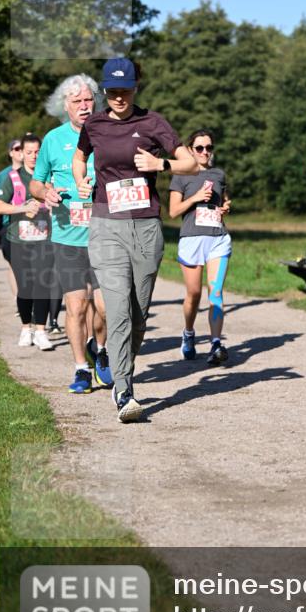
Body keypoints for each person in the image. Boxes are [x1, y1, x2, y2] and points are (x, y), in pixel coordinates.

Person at [73, 57, 197, 422]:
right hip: (106, 225)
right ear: (104, 91)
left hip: (145, 226)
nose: (119, 97)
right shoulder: (93, 124)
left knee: (139, 314)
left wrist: (162, 166)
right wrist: (81, 179)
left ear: (135, 87)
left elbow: (189, 161)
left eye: (125, 89)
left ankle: (119, 361)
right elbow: (81, 158)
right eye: (112, 91)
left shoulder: (152, 123)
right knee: (118, 309)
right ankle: (124, 390)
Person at [30, 74, 113, 394]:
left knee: (105, 308)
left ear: (96, 102)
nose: (83, 105)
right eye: (76, 101)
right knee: (77, 307)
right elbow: (37, 182)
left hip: (106, 235)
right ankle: (81, 368)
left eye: (88, 99)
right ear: (65, 106)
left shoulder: (108, 134)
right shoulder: (53, 140)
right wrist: (44, 193)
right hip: (68, 238)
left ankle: (101, 351)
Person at [169, 129, 232, 363]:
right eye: (199, 148)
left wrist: (225, 206)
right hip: (192, 240)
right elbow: (173, 211)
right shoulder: (181, 176)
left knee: (215, 292)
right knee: (193, 294)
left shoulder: (218, 174)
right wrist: (195, 198)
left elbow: (224, 199)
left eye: (209, 148)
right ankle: (188, 333)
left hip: (217, 239)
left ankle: (216, 344)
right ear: (189, 150)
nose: (205, 152)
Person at [0, 134, 56, 349]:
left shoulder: (50, 177)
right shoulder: (11, 178)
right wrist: (23, 208)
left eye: (37, 152)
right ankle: (25, 328)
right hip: (18, 239)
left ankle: (41, 331)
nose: (33, 156)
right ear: (21, 153)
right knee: (25, 286)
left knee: (43, 284)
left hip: (44, 239)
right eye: (28, 152)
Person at [0, 139, 25, 297]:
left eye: (23, 148)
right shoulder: (3, 175)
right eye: (17, 148)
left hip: (32, 226)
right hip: (8, 225)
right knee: (13, 265)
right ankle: (20, 301)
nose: (20, 151)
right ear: (11, 152)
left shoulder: (34, 172)